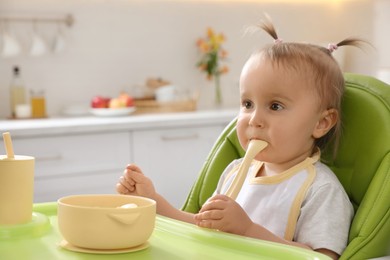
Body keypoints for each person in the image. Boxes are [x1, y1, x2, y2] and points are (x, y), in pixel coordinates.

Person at [116, 18, 365, 259]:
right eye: (247, 104)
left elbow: (321, 257)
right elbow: (203, 226)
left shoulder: (320, 190)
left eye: (275, 106)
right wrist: (152, 201)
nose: (254, 119)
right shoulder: (236, 171)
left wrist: (248, 230)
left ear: (321, 123)